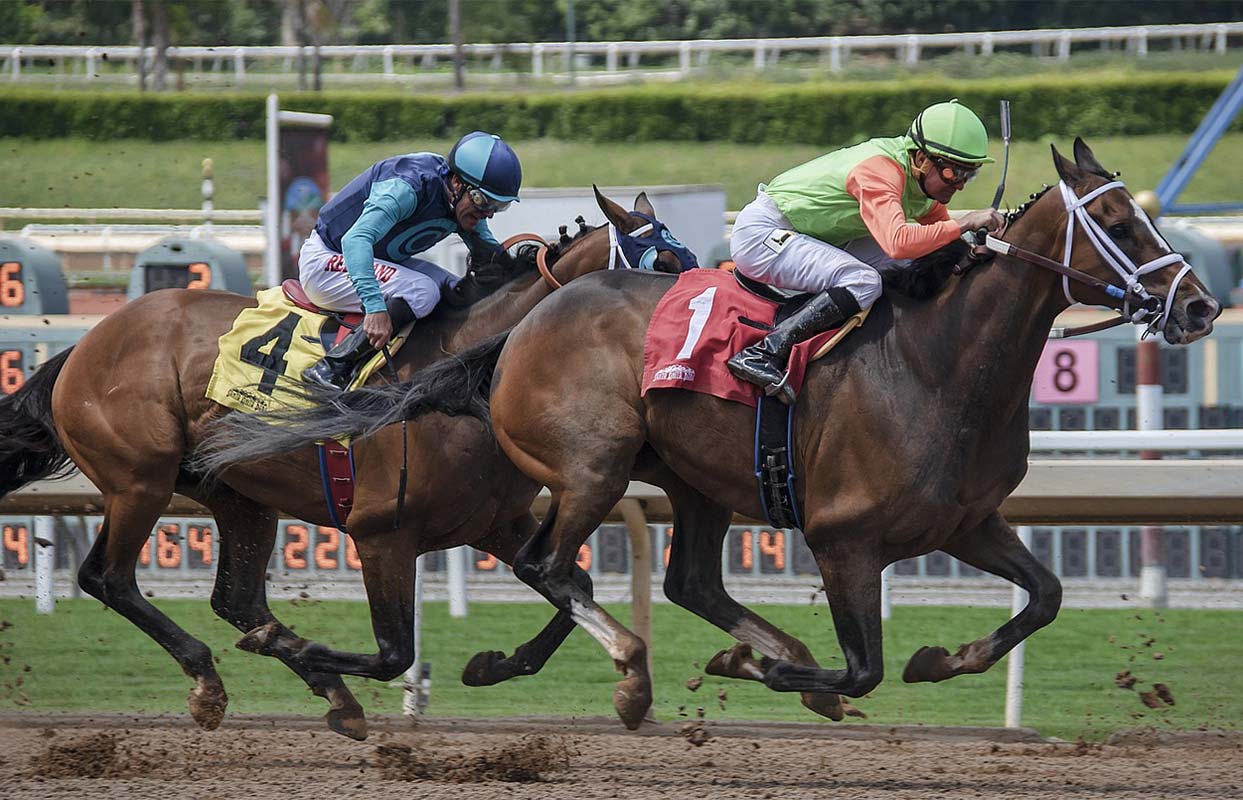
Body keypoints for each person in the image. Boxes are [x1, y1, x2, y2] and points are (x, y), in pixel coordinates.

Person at [726, 99, 1005, 401]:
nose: (960, 185)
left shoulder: (920, 182)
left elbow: (941, 240)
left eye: (970, 175)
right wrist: (964, 222)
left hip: (802, 234)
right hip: (761, 235)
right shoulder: (881, 171)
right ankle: (764, 352)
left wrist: (983, 245)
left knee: (924, 257)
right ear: (922, 158)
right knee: (864, 281)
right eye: (953, 173)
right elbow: (898, 242)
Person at [299, 131, 522, 390]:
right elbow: (355, 240)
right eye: (483, 201)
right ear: (457, 183)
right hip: (328, 259)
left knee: (455, 290)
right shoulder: (408, 187)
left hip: (374, 259)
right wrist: (374, 307)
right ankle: (333, 366)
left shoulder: (462, 204)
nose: (488, 214)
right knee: (424, 291)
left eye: (498, 206)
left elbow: (494, 259)